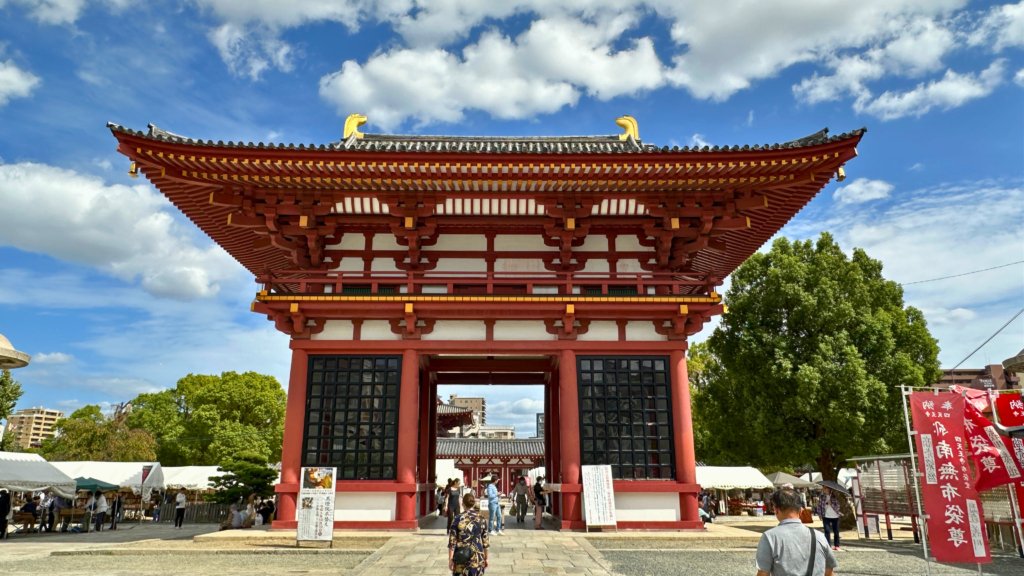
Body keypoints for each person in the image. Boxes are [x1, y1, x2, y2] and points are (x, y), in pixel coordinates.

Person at [756, 488, 837, 576]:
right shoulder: (819, 536)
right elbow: (829, 571)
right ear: (801, 510)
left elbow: (763, 573)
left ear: (776, 510)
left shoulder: (770, 537)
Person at [448, 492, 489, 576]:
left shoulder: (457, 519)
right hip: (477, 556)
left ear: (463, 504)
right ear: (473, 504)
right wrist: (486, 558)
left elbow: (452, 542)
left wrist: (450, 559)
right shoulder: (481, 519)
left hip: (461, 556)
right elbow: (485, 542)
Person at [816, 487, 843, 551]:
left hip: (835, 516)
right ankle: (828, 546)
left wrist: (831, 504)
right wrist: (819, 514)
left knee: (836, 532)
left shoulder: (834, 496)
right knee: (827, 531)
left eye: (825, 488)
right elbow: (819, 505)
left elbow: (838, 506)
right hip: (826, 516)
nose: (824, 489)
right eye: (823, 488)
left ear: (829, 489)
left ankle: (837, 545)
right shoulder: (822, 497)